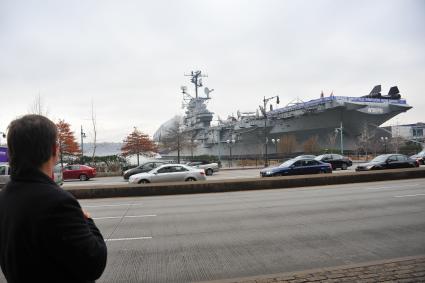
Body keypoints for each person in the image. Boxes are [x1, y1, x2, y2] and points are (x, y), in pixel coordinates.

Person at [0, 115, 107, 283]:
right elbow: (94, 263)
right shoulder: (58, 203)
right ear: (54, 150)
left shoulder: (5, 197)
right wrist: (87, 220)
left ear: (12, 152)